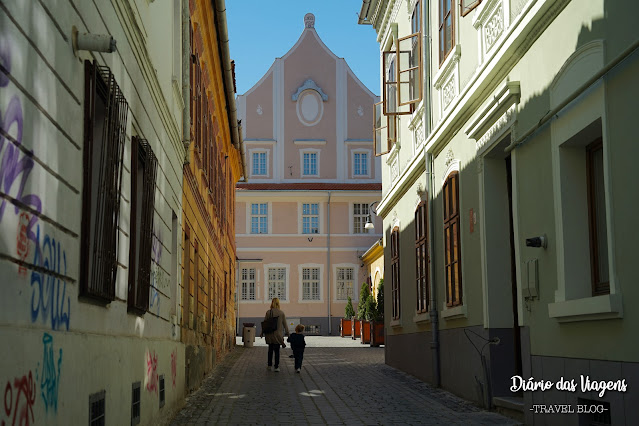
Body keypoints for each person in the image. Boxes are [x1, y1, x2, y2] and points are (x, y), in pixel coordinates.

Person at [261, 298, 289, 372]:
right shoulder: (281, 313)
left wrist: (261, 333)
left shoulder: (268, 312)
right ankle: (276, 366)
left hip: (269, 334)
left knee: (270, 350)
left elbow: (265, 324)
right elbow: (285, 325)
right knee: (277, 351)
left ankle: (269, 365)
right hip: (278, 335)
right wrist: (288, 333)